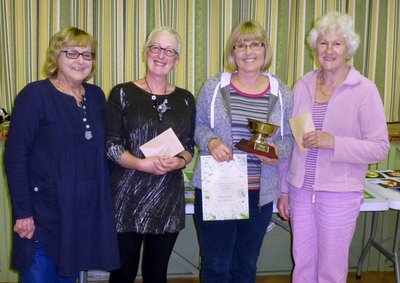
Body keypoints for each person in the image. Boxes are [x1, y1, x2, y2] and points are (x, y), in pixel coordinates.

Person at [277, 12, 390, 283]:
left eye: (336, 44)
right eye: (323, 43)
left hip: (340, 194)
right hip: (300, 191)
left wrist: (334, 142)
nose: (329, 50)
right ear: (315, 48)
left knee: (330, 270)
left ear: (348, 49)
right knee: (302, 265)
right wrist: (284, 190)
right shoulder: (302, 85)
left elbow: (379, 147)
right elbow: (290, 140)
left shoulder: (364, 90)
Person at [4, 27, 120, 282]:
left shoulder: (97, 96)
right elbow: (15, 158)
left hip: (80, 215)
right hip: (43, 215)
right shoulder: (35, 95)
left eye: (87, 55)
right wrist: (23, 212)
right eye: (72, 53)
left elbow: (106, 151)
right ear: (56, 56)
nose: (80, 61)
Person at [191, 21, 294, 282]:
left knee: (246, 264)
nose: (248, 51)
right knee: (215, 264)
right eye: (241, 45)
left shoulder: (281, 91)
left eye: (255, 44)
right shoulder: (214, 87)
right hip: (218, 189)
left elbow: (288, 138)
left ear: (265, 49)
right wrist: (211, 142)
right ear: (233, 52)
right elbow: (198, 126)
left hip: (259, 193)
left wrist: (274, 151)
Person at [105, 26, 196, 283]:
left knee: (157, 274)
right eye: (155, 47)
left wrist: (179, 161)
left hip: (167, 198)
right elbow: (111, 145)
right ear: (146, 52)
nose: (161, 55)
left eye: (169, 50)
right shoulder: (122, 92)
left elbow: (189, 146)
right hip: (126, 198)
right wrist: (141, 164)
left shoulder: (186, 99)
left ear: (176, 59)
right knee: (123, 274)